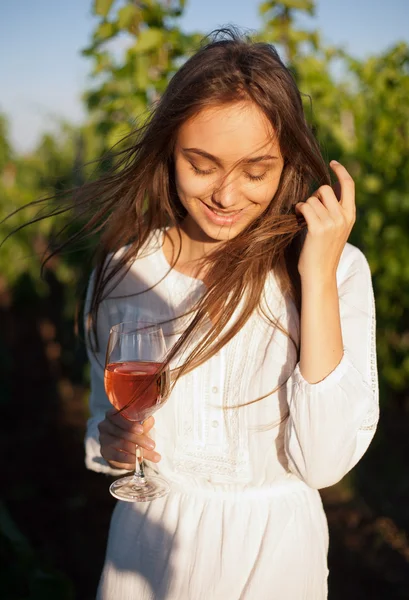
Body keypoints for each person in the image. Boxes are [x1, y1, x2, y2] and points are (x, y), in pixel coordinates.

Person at [83, 28, 379, 599]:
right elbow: (105, 426)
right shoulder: (126, 271)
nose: (225, 194)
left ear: (286, 161)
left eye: (255, 170)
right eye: (201, 164)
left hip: (273, 565)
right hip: (145, 555)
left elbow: (322, 463)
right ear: (169, 151)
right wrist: (116, 445)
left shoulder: (334, 269)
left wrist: (315, 277)